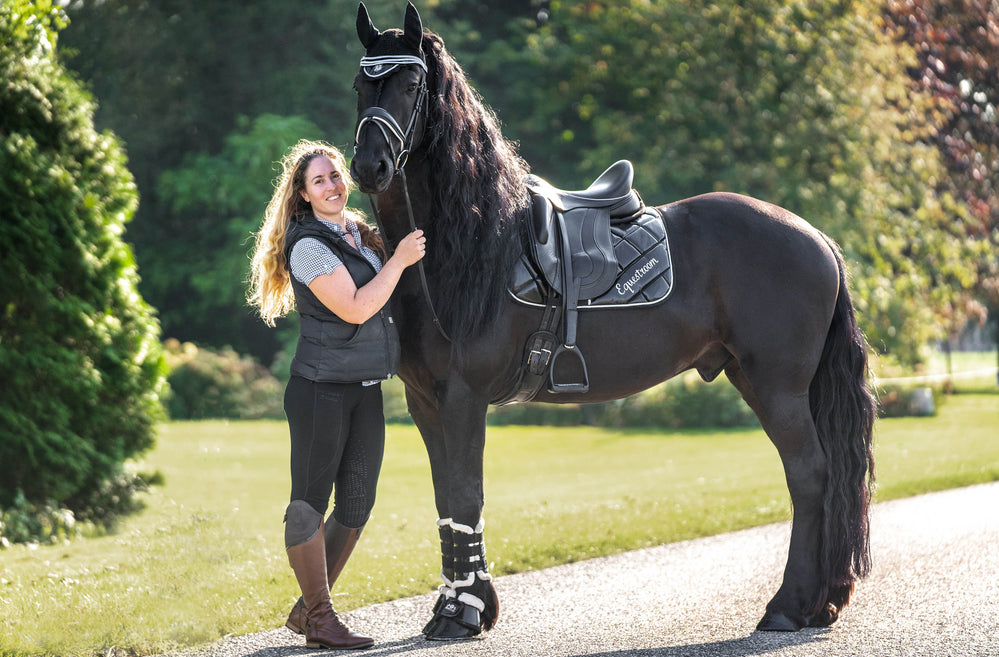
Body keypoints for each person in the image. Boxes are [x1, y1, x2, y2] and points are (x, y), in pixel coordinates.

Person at [248, 140, 425, 649]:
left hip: (364, 387)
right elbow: (354, 308)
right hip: (319, 391)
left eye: (336, 176)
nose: (332, 185)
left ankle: (308, 612)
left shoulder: (359, 234)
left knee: (356, 503)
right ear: (303, 195)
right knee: (308, 503)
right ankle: (322, 619)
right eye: (319, 180)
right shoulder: (307, 246)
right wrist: (400, 262)